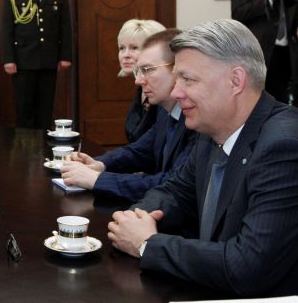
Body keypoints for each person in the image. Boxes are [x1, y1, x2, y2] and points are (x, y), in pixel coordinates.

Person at [107, 19, 298, 296]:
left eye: (188, 79)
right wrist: (136, 219)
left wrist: (147, 244)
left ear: (235, 81)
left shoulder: (283, 146)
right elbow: (174, 192)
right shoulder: (211, 132)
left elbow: (246, 266)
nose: (176, 92)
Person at [61, 29, 196, 202]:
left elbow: (171, 184)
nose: (138, 81)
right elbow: (140, 151)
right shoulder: (164, 112)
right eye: (138, 71)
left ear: (177, 70)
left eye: (147, 70)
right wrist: (100, 164)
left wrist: (96, 179)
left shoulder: (198, 120)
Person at [0, 0, 72, 129]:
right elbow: (7, 27)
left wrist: (65, 55)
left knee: (45, 109)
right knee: (24, 109)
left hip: (49, 58)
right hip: (23, 59)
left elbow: (65, 25)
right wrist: (8, 58)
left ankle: (43, 145)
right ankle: (24, 146)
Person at [231, 0, 297, 103]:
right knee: (254, 104)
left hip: (287, 55)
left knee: (281, 106)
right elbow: (238, 13)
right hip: (257, 54)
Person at [117, 19, 166, 142]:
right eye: (122, 48)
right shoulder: (141, 88)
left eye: (134, 48)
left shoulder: (163, 93)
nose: (125, 55)